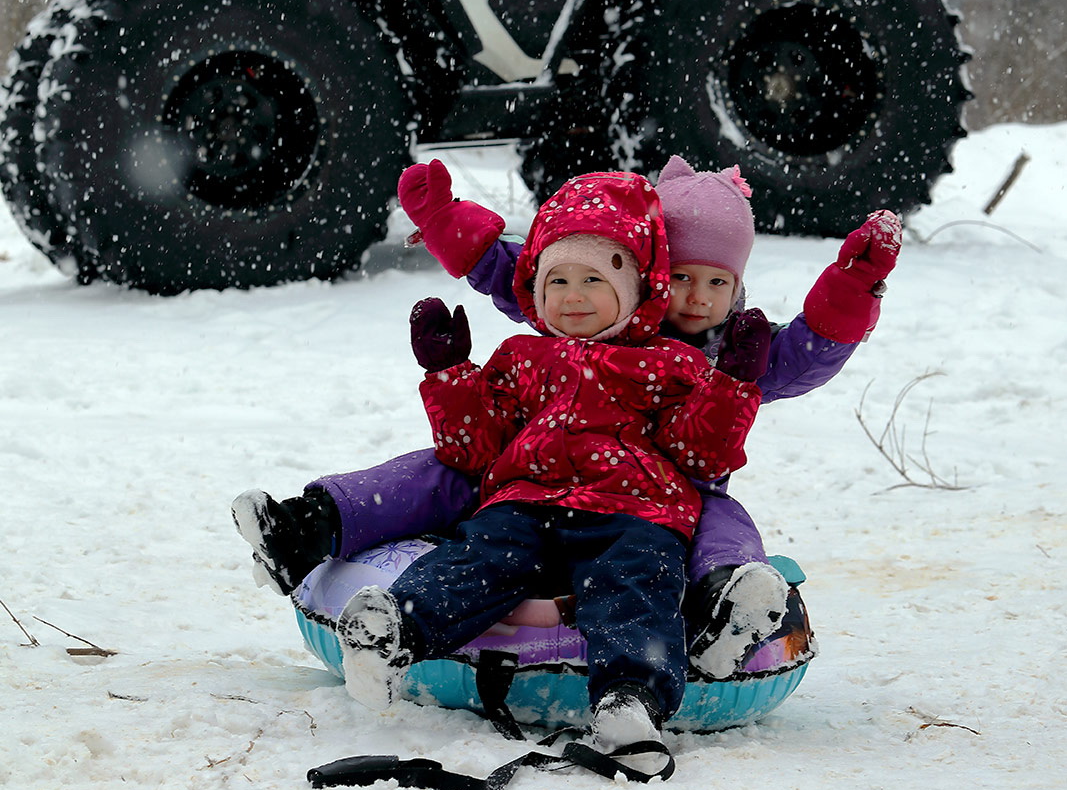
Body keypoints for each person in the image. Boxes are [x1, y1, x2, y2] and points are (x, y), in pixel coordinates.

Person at [233, 157, 901, 676]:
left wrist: (851, 286)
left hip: (666, 496)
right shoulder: (601, 303)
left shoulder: (734, 347)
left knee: (720, 522)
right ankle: (307, 530)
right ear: (654, 269)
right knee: (439, 473)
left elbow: (807, 353)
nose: (696, 300)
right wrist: (443, 222)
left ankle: (726, 604)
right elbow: (518, 272)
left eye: (717, 283)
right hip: (539, 472)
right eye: (684, 279)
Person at [332, 170, 770, 769]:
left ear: (640, 287)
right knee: (476, 559)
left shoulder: (670, 363)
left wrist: (729, 385)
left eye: (595, 279)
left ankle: (628, 702)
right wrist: (450, 373)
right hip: (525, 502)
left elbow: (700, 455)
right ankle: (393, 633)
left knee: (635, 586)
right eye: (556, 279)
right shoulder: (520, 356)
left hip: (635, 511)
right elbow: (474, 445)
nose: (573, 295)